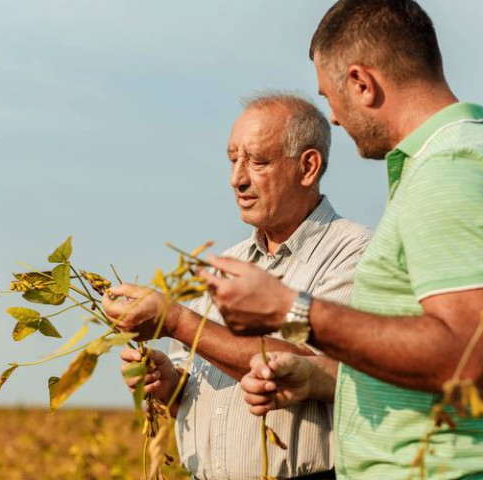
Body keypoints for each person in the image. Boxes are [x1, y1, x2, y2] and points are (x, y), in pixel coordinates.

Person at [200, 1, 483, 478]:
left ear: (362, 83)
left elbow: (462, 357)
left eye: (330, 97)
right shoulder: (458, 160)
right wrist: (320, 376)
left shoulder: (452, 170)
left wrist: (289, 311)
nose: (334, 119)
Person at [103, 92, 370, 479]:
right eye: (233, 160)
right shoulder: (227, 264)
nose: (237, 179)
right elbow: (187, 399)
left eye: (257, 162)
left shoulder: (354, 252)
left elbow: (311, 367)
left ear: (308, 167)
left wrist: (176, 321)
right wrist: (168, 383)